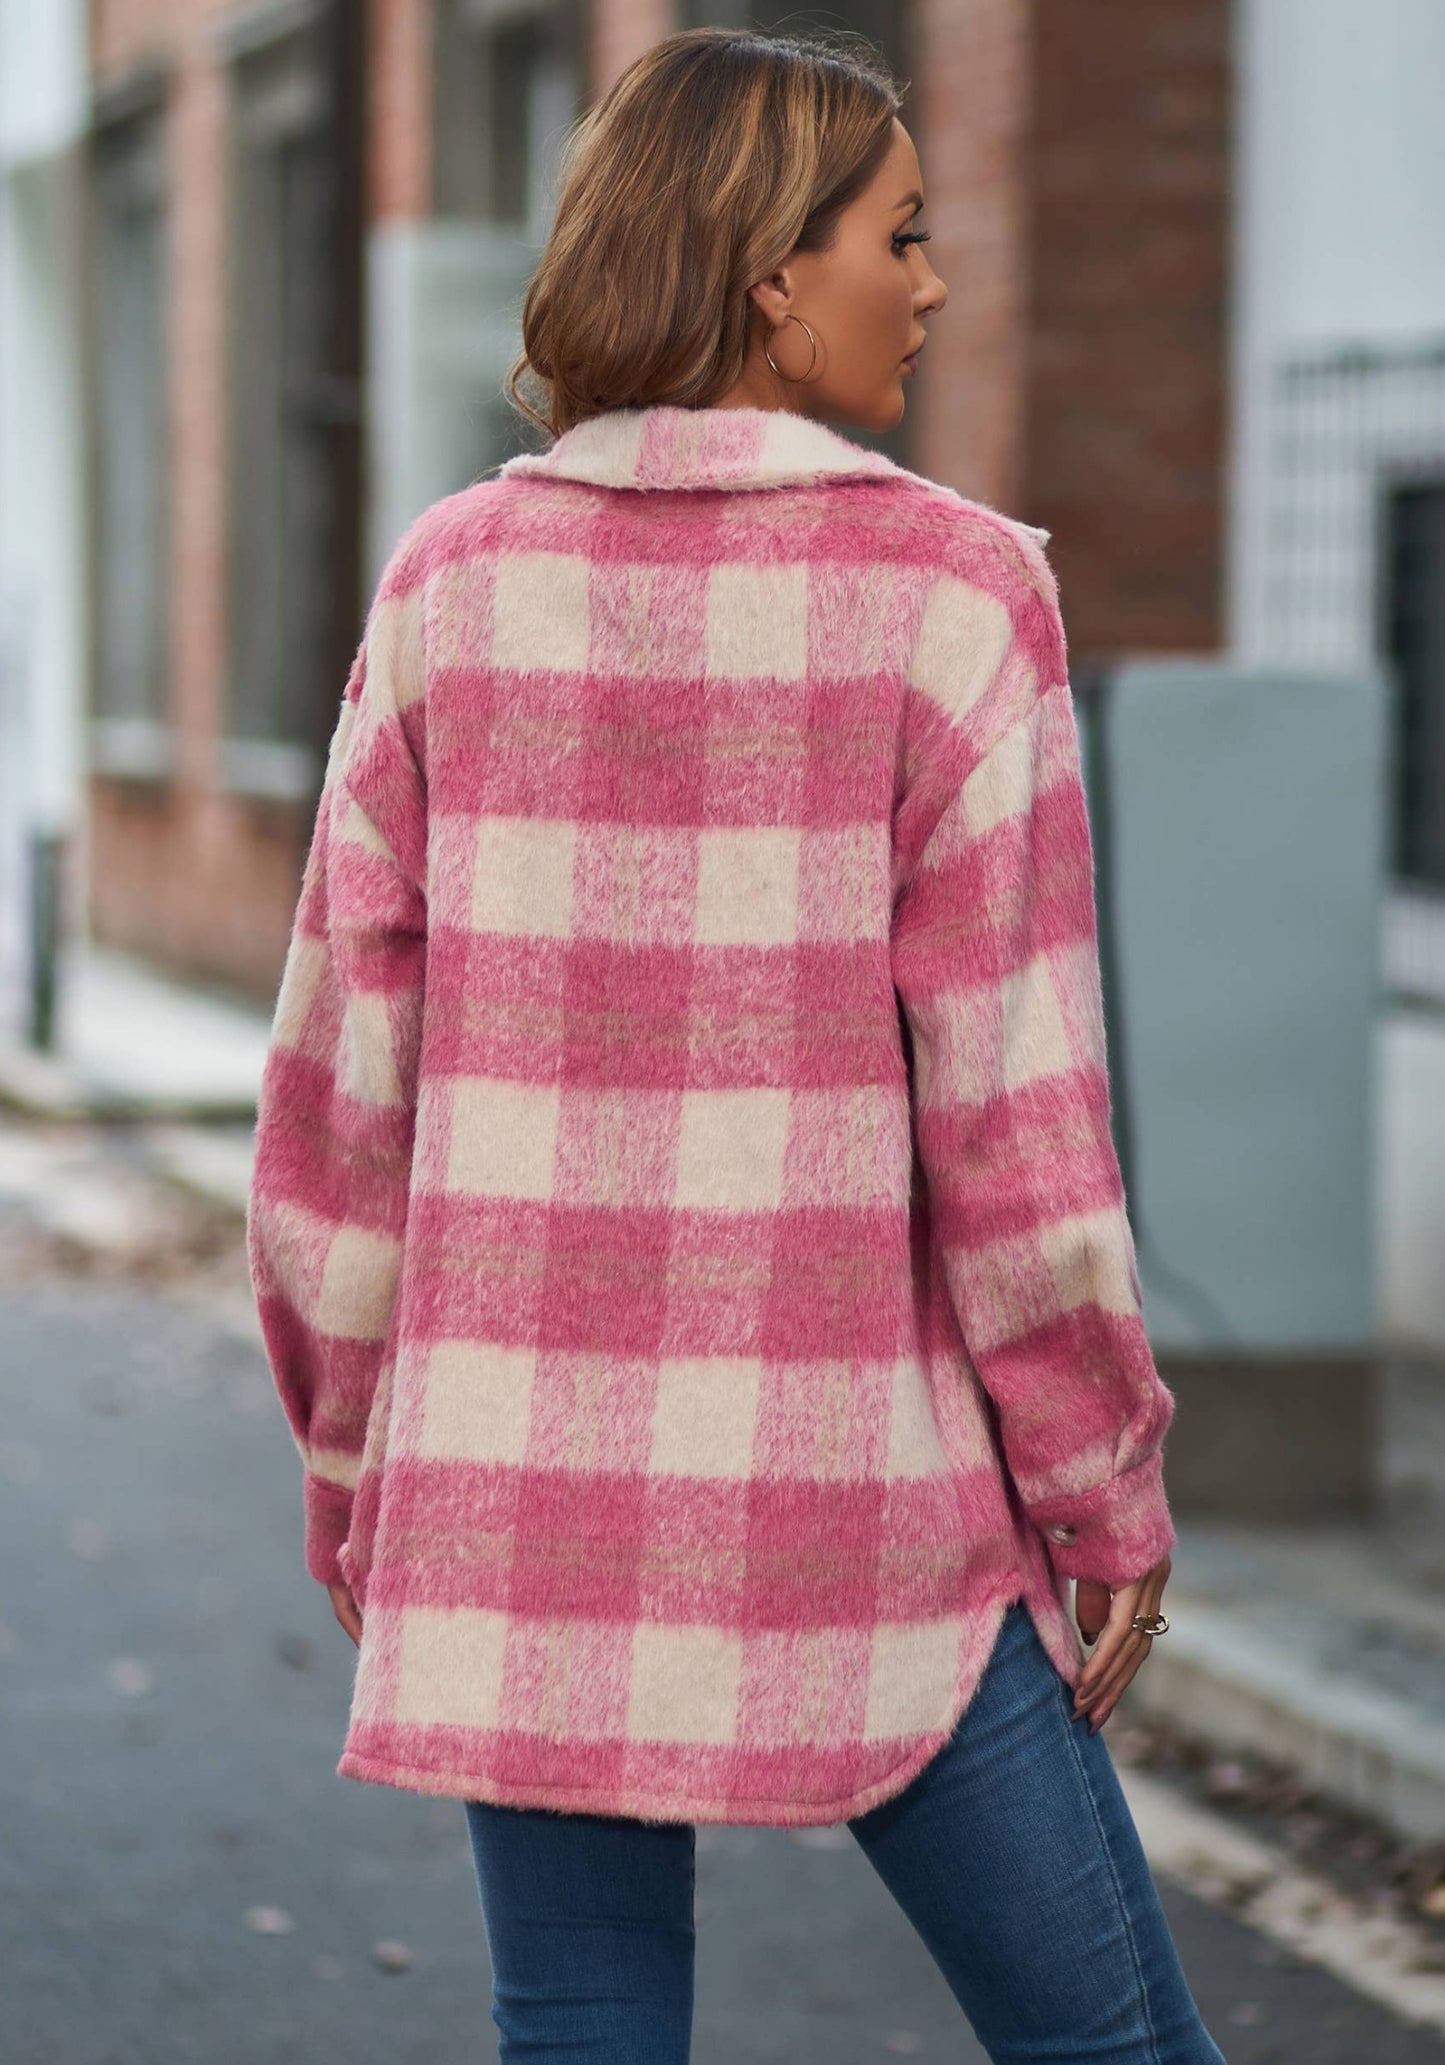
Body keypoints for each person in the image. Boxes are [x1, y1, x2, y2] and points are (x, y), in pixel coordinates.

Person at [246, 25, 1225, 2065]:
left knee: (584, 2023)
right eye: (904, 233)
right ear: (775, 272)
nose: (935, 283)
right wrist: (1104, 1483)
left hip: (519, 1485)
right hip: (865, 1499)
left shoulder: (455, 583)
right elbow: (1017, 1124)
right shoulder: (954, 596)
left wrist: (357, 1456)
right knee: (1113, 2052)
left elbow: (342, 1090)